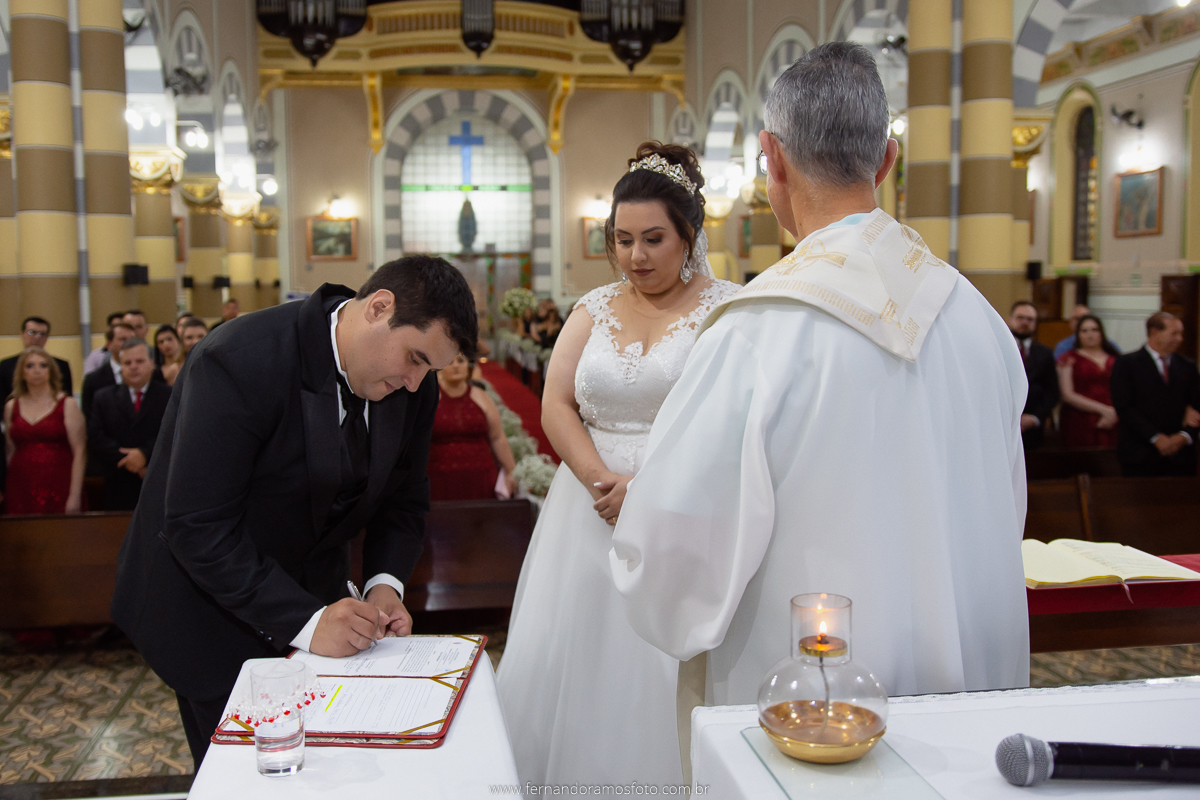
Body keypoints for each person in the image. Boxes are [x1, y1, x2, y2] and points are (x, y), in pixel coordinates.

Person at [609, 44, 1029, 777]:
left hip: (815, 711)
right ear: (888, 159)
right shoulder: (979, 319)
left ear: (771, 158)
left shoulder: (757, 331)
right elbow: (1006, 503)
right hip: (973, 691)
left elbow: (676, 547)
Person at [110, 256, 477, 768]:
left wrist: (384, 584)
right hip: (209, 611)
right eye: (415, 358)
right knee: (248, 778)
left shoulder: (412, 383)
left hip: (317, 594)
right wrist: (306, 621)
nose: (417, 383)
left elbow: (404, 497)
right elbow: (198, 526)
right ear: (379, 307)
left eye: (429, 369)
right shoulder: (236, 359)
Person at [497, 142, 739, 788]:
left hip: (684, 507)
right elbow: (555, 402)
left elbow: (730, 419)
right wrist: (600, 481)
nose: (636, 257)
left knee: (658, 658)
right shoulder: (594, 308)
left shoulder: (728, 311)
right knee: (581, 650)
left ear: (689, 236)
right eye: (623, 240)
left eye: (654, 239)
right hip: (589, 506)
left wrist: (651, 490)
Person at [1110, 312, 1200, 476]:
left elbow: (1196, 405)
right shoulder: (1127, 364)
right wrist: (1155, 437)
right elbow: (1124, 406)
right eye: (1174, 334)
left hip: (1180, 457)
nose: (1180, 339)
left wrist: (1184, 436)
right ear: (1154, 333)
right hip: (1140, 454)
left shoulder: (1187, 365)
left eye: (1181, 334)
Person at [87, 339, 171, 510]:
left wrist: (145, 455)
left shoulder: (170, 396)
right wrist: (129, 460)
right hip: (118, 483)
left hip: (159, 483)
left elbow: (173, 433)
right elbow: (96, 437)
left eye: (139, 361)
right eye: (127, 363)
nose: (133, 367)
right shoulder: (103, 398)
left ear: (152, 363)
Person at [3, 348, 86, 514]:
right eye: (30, 366)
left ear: (51, 371)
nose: (37, 370)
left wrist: (75, 495)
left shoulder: (67, 404)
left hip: (60, 480)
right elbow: (10, 450)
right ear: (21, 372)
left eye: (43, 365)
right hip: (20, 483)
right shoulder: (11, 406)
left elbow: (80, 451)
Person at [428, 354, 518, 500]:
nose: (456, 366)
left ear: (468, 366)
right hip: (439, 478)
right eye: (450, 362)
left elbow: (497, 437)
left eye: (461, 361)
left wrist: (511, 471)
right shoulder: (431, 396)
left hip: (481, 477)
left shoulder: (481, 396)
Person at [1056, 314, 1119, 449]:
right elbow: (1067, 394)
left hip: (1113, 418)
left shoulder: (1115, 359)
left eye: (1094, 330)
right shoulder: (1069, 358)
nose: (1090, 335)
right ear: (1078, 334)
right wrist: (1104, 410)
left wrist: (1113, 413)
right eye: (1084, 331)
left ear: (1101, 332)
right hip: (1080, 418)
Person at [1008, 300, 1059, 449]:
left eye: (1030, 319)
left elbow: (1052, 391)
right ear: (1010, 319)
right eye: (1020, 317)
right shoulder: (999, 349)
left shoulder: (1045, 352)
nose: (1025, 322)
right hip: (1003, 422)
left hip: (1033, 428)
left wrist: (1035, 417)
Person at [0, 317, 74, 397]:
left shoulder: (61, 366)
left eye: (42, 334)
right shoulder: (6, 366)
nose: (37, 337)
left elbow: (66, 396)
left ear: (47, 338)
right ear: (22, 334)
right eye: (31, 332)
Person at [81, 322, 136, 418]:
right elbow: (89, 417)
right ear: (109, 344)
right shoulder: (93, 381)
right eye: (123, 339)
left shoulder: (151, 375)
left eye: (132, 339)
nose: (129, 344)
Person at [1053, 304, 1120, 359]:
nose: (1081, 322)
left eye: (1094, 330)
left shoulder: (1111, 345)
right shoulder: (1063, 346)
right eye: (1077, 318)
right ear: (1070, 322)